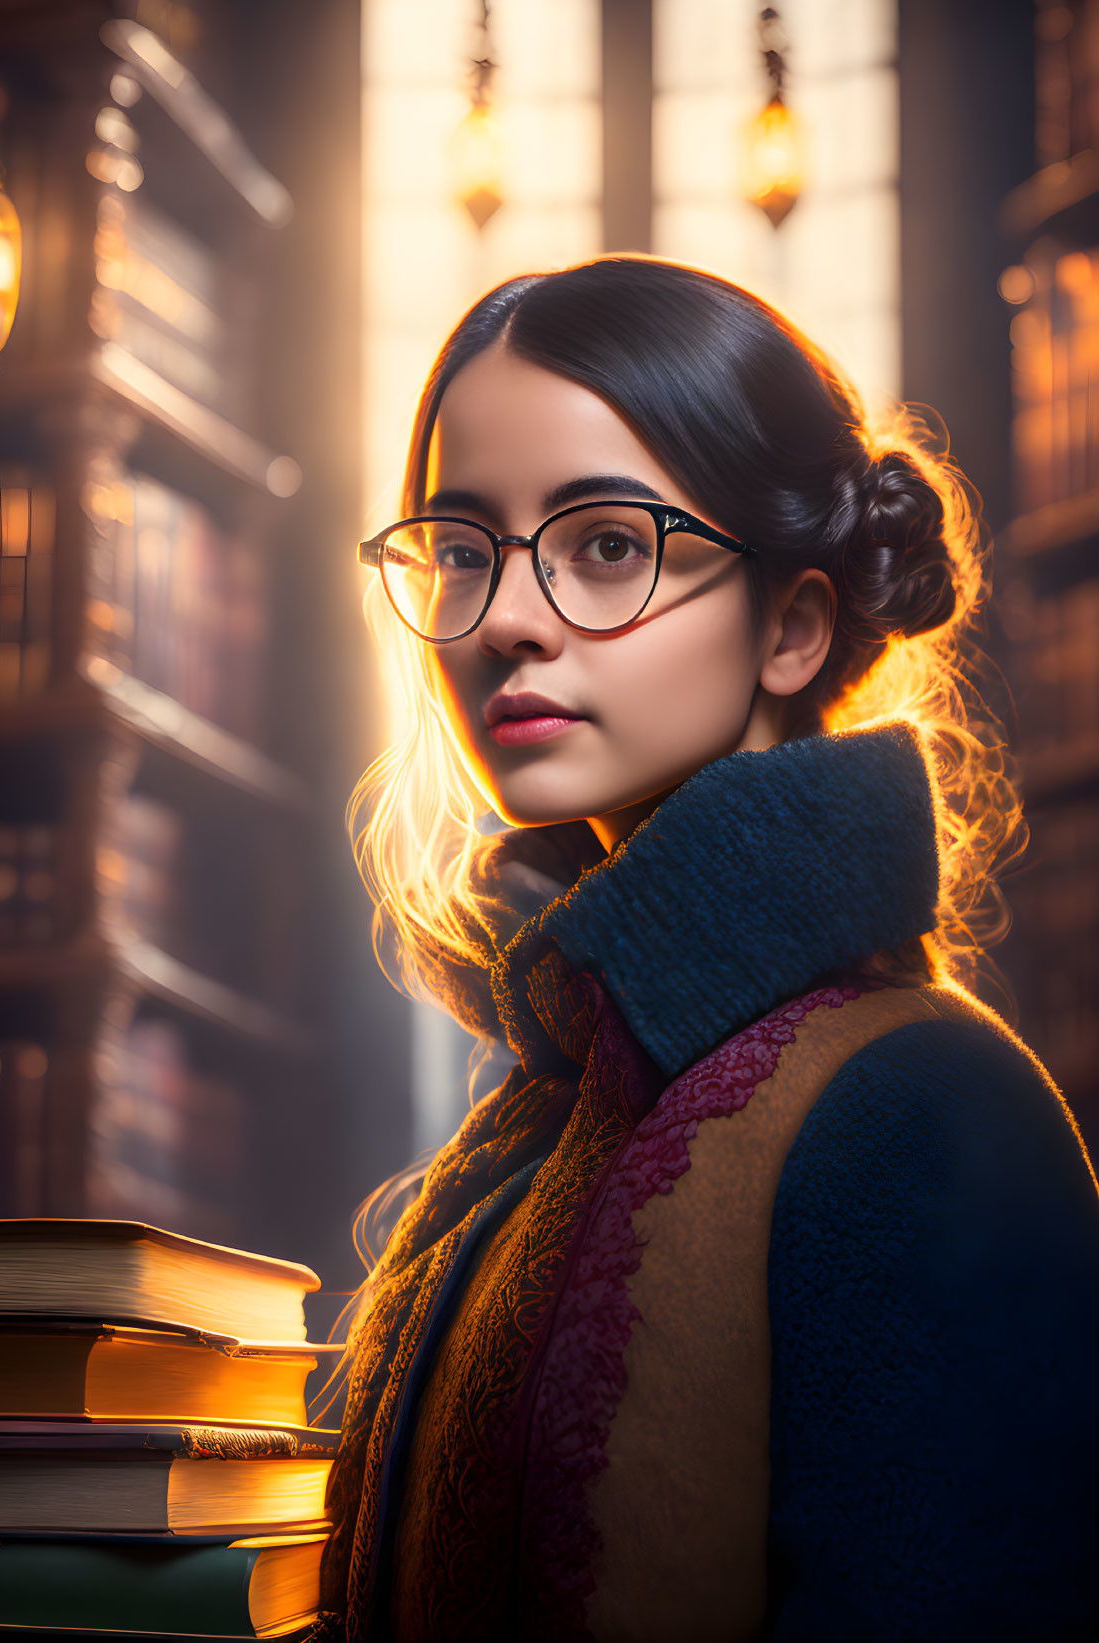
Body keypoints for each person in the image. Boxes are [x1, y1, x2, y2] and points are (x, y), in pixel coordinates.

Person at [311, 257, 1099, 1643]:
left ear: (789, 625)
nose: (502, 619)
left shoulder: (923, 1112)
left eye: (603, 545)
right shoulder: (542, 1110)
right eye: (458, 547)